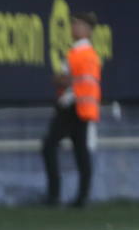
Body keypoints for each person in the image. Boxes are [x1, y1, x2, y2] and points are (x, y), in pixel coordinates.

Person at [43, 12, 102, 208]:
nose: (73, 28)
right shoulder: (84, 53)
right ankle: (80, 197)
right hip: (82, 107)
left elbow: (70, 79)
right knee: (80, 152)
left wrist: (60, 80)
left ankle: (56, 195)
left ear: (87, 29)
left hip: (72, 105)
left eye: (77, 25)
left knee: (51, 145)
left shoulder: (82, 54)